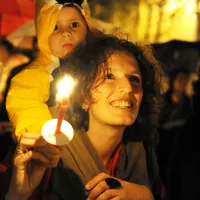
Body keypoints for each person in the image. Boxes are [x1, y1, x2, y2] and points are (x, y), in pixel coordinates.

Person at [5, 35, 163, 200]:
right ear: (84, 97)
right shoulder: (43, 149)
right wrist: (18, 194)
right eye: (109, 76)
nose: (128, 88)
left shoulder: (145, 153)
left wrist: (145, 196)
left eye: (134, 79)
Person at [165, 65, 200, 200]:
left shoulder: (188, 104)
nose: (182, 83)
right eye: (179, 79)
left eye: (185, 79)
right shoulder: (163, 102)